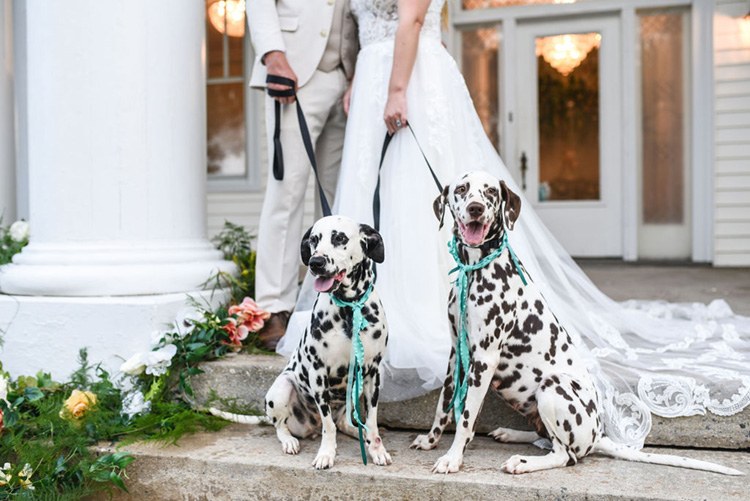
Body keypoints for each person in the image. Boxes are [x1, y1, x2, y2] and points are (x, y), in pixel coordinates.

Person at [280, 0, 750, 449]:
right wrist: (359, 83)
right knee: (372, 192)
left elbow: (411, 19)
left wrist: (397, 90)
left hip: (410, 78)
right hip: (374, 81)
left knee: (412, 193)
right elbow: (361, 33)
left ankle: (432, 312)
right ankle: (376, 311)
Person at [247, 0, 358, 350]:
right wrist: (273, 55)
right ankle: (273, 307)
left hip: (351, 76)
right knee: (287, 191)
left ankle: (332, 297)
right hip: (294, 70)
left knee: (338, 197)